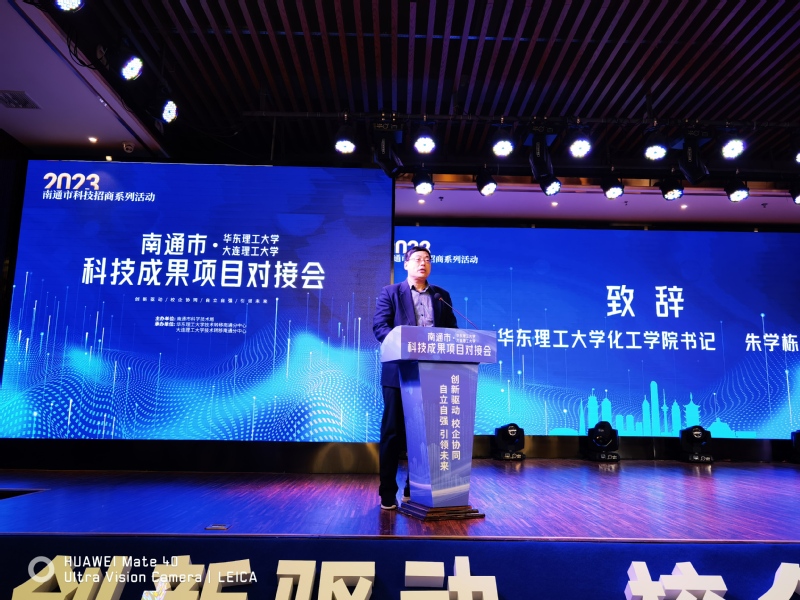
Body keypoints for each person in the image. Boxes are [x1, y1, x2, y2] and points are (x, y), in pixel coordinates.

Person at [373, 245, 458, 510]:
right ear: (406, 264)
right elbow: (380, 327)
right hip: (399, 373)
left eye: (427, 259)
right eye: (418, 259)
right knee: (392, 433)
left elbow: (452, 331)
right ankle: (388, 492)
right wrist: (405, 343)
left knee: (426, 435)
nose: (423, 263)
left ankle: (416, 488)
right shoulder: (391, 293)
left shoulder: (441, 296)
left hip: (432, 374)